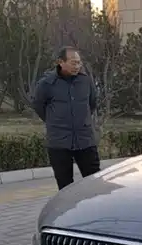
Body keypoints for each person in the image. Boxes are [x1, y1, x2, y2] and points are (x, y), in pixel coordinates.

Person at [32, 46, 100, 190]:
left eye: (79, 62)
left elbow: (92, 104)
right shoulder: (46, 84)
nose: (77, 66)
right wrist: (55, 122)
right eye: (73, 63)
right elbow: (39, 106)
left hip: (85, 139)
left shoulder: (85, 81)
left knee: (94, 183)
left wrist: (81, 120)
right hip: (59, 142)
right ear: (61, 62)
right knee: (65, 186)